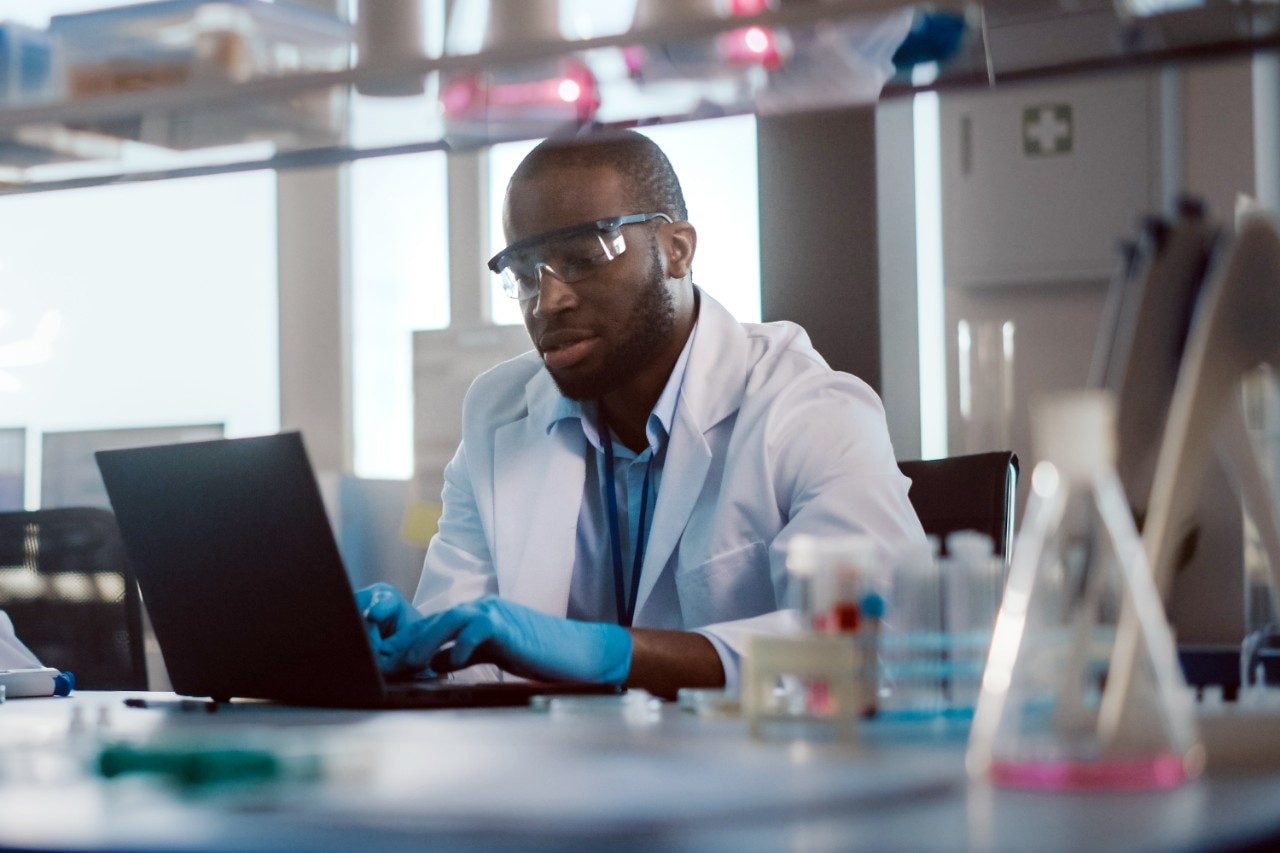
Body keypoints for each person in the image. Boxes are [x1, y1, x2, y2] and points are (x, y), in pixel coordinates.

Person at [358, 130, 926, 699]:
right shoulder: (496, 415)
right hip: (553, 775)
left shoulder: (807, 409)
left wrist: (610, 653)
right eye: (526, 273)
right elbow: (465, 654)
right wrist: (414, 650)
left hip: (755, 774)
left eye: (582, 259)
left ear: (677, 249)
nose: (547, 301)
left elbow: (874, 644)